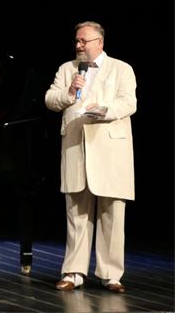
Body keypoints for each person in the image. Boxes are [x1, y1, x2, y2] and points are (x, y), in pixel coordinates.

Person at [45, 21, 137, 293]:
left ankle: (111, 275)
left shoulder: (121, 68)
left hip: (110, 150)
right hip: (76, 148)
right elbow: (50, 99)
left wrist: (103, 110)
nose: (78, 45)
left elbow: (128, 102)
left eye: (83, 41)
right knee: (76, 214)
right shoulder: (67, 69)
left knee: (112, 214)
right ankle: (74, 272)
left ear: (100, 42)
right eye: (77, 41)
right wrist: (69, 92)